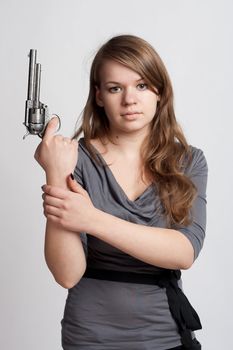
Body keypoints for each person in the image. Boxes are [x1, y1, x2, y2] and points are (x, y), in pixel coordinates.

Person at [35, 34, 208, 350]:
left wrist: (91, 219)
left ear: (159, 91)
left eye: (141, 85)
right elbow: (68, 274)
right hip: (90, 337)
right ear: (99, 96)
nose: (130, 99)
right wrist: (56, 173)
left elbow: (183, 252)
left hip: (165, 336)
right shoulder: (77, 160)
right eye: (116, 88)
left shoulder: (189, 160)